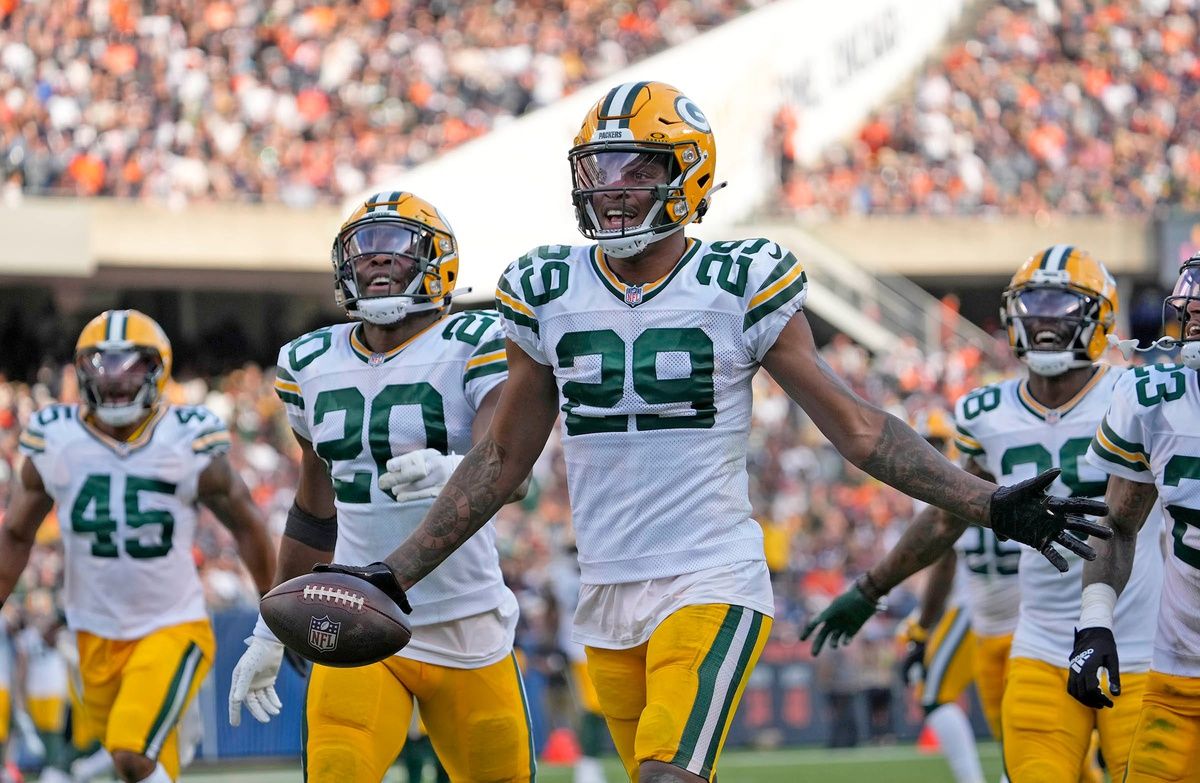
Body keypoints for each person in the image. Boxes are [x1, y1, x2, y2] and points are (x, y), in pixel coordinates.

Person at [310, 84, 1108, 783]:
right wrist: (393, 572)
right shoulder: (545, 287)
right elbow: (500, 457)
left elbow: (859, 430)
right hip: (607, 590)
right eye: (599, 169)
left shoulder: (740, 279)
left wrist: (990, 502)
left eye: (638, 169)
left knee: (668, 773)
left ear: (687, 173)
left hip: (711, 579)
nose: (613, 190)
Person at [803, 245, 1163, 782]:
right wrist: (872, 587)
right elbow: (949, 516)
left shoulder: (1135, 395)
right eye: (1033, 305)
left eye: (1061, 307)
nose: (1043, 320)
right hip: (1040, 641)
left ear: (1100, 316)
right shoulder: (985, 411)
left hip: (1143, 644)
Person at [227, 191, 535, 782]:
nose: (376, 261)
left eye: (395, 248)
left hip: (466, 619)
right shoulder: (310, 361)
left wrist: (455, 470)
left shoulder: (477, 341)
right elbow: (314, 513)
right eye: (363, 250)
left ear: (438, 260)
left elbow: (512, 468)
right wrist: (271, 622)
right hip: (356, 611)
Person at [0, 309, 276, 783]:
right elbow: (17, 534)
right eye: (101, 367)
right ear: (81, 371)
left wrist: (277, 619)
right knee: (142, 767)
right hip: (93, 635)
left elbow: (248, 525)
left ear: (159, 370)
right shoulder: (56, 438)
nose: (115, 382)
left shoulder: (188, 437)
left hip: (172, 627)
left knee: (131, 753)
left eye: (131, 368)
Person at [1071, 251, 1200, 782]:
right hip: (1182, 680)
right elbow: (1119, 524)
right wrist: (1096, 622)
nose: (1192, 322)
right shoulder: (1155, 400)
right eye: (1191, 313)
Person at [895, 409, 1020, 783]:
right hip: (1000, 601)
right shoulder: (995, 474)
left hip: (975, 604)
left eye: (936, 443)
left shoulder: (941, 487)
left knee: (936, 693)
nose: (931, 451)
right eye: (926, 443)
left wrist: (921, 626)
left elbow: (943, 563)